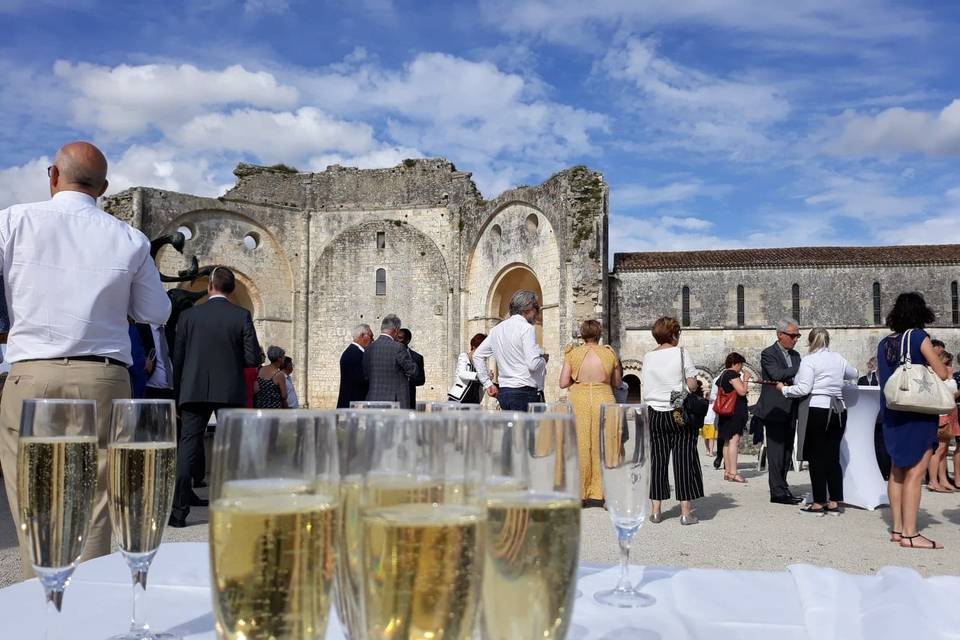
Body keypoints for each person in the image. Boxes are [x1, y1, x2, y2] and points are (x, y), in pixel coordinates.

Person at [0, 141, 170, 574]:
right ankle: (86, 608)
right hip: (102, 377)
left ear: (53, 175)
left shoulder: (13, 221)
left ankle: (42, 600)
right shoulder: (129, 238)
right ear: (104, 188)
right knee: (95, 499)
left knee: (33, 498)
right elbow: (156, 312)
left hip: (30, 374)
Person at [172, 266, 261, 527]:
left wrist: (178, 395)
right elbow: (252, 358)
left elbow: (178, 359)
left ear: (210, 286)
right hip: (229, 390)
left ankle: (178, 512)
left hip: (193, 390)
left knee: (187, 448)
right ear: (232, 289)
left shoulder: (188, 316)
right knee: (234, 449)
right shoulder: (242, 316)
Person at [877, 292, 949, 549]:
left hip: (892, 411)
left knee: (897, 471)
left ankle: (897, 528)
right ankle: (911, 533)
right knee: (916, 472)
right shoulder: (919, 337)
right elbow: (941, 372)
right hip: (916, 412)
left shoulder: (885, 343)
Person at [778, 329, 858, 513]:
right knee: (832, 455)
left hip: (817, 409)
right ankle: (835, 499)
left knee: (816, 457)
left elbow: (804, 388)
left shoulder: (809, 360)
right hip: (839, 409)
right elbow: (853, 373)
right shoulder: (838, 358)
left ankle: (819, 501)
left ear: (810, 341)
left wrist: (784, 389)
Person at [640, 316, 703, 525]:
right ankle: (686, 512)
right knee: (683, 458)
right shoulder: (681, 353)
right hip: (677, 408)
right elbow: (692, 385)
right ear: (674, 334)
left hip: (654, 411)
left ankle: (656, 511)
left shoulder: (648, 357)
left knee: (658, 460)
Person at [559, 319, 622, 507]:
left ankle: (580, 494)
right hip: (604, 397)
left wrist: (577, 381)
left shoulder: (573, 354)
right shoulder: (609, 353)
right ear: (599, 333)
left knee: (580, 445)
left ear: (582, 334)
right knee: (606, 444)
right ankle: (605, 495)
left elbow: (562, 383)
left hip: (579, 399)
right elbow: (617, 383)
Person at [755, 318, 804, 505]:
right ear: (780, 334)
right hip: (774, 409)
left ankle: (783, 487)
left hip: (792, 407)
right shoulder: (768, 353)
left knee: (787, 450)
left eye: (797, 335)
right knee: (776, 452)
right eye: (792, 335)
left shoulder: (796, 356)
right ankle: (777, 492)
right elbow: (775, 375)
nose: (795, 339)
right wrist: (802, 368)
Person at [473, 290, 548, 411]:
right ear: (527, 308)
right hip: (525, 392)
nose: (537, 313)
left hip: (505, 393)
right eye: (536, 308)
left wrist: (488, 384)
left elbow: (477, 355)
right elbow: (533, 364)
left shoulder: (496, 330)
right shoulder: (526, 328)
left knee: (511, 430)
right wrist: (543, 360)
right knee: (528, 430)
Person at [363, 314, 418, 408]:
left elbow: (366, 375)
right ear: (396, 330)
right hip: (395, 402)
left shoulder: (368, 348)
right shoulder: (398, 347)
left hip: (373, 401)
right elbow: (413, 371)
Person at [716, 353, 751, 483]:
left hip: (725, 412)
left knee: (726, 441)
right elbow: (742, 391)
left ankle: (727, 472)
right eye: (740, 365)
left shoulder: (723, 375)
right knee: (734, 441)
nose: (741, 368)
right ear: (736, 363)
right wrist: (746, 378)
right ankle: (734, 473)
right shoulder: (733, 375)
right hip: (734, 411)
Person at [928, 351, 957, 492]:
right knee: (939, 451)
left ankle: (942, 479)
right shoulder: (941, 378)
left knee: (943, 451)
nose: (951, 367)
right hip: (941, 415)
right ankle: (933, 481)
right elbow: (952, 391)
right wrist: (950, 378)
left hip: (945, 415)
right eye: (949, 364)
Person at [336, 324, 373, 408]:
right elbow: (362, 380)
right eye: (371, 336)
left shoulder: (354, 352)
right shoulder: (354, 354)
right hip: (353, 405)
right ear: (362, 336)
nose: (372, 340)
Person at [452, 333, 487, 404]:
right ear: (474, 347)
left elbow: (482, 383)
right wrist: (478, 375)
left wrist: (487, 377)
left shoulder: (481, 361)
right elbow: (461, 374)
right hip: (460, 397)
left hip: (475, 398)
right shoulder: (464, 356)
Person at [397, 327, 426, 408]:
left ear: (408, 340)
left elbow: (421, 380)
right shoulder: (389, 354)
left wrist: (408, 378)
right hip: (393, 400)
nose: (397, 341)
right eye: (396, 338)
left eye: (400, 338)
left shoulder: (417, 357)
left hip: (409, 400)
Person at [702, 376, 719, 458]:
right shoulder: (704, 404)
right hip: (705, 422)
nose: (708, 397)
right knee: (706, 438)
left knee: (711, 438)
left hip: (712, 422)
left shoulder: (714, 404)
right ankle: (707, 449)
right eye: (707, 396)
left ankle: (711, 451)